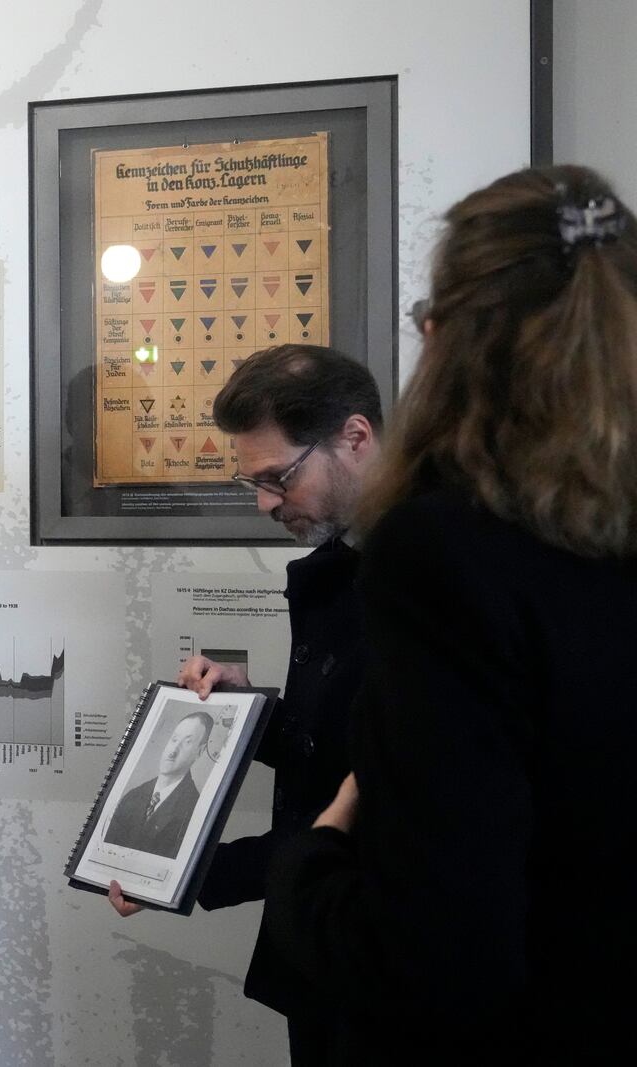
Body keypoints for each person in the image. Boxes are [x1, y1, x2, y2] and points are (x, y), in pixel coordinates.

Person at [267, 164, 637, 1063]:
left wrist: (306, 867)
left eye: (275, 477)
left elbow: (436, 956)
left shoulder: (448, 550)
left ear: (442, 334)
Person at [107, 344, 382, 1064]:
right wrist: (249, 712)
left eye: (277, 478)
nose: (264, 504)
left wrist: (192, 871)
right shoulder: (337, 567)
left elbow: (384, 806)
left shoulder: (431, 578)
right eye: (251, 481)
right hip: (326, 953)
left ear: (356, 437)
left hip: (390, 958)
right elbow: (343, 742)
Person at [101, 710, 212, 859]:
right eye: (174, 739)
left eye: (187, 742)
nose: (172, 751)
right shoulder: (133, 796)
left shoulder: (194, 809)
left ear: (200, 751)